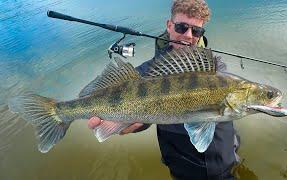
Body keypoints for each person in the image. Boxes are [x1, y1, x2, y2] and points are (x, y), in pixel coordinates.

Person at [88, 0, 239, 179]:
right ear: (169, 25)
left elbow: (231, 96)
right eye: (182, 27)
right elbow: (143, 113)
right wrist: (132, 123)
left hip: (222, 159)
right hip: (179, 161)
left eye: (197, 30)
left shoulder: (215, 66)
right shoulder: (146, 73)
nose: (189, 36)